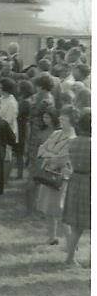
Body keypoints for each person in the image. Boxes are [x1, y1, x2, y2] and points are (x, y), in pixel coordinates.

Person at [36, 106, 77, 245]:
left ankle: (71, 242)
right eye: (60, 117)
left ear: (72, 121)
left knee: (60, 210)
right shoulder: (56, 134)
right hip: (48, 174)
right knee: (47, 207)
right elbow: (41, 150)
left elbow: (62, 159)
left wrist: (49, 155)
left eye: (64, 118)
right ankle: (52, 237)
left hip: (61, 177)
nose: (60, 119)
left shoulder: (73, 139)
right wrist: (51, 156)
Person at [63, 110, 90, 266]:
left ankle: (70, 257)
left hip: (76, 181)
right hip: (90, 180)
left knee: (76, 226)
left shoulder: (73, 142)